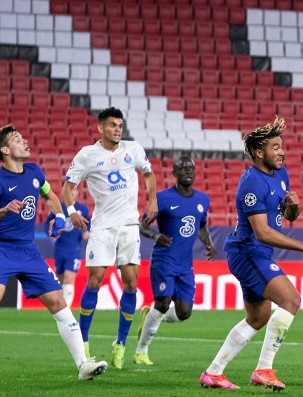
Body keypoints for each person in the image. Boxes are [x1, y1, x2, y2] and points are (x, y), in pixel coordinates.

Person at [0, 124, 107, 381]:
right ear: (5, 150)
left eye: (22, 138)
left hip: (28, 251)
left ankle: (83, 365)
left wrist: (58, 215)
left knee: (58, 302)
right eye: (17, 140)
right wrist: (4, 209)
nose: (25, 142)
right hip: (3, 248)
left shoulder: (34, 172)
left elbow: (51, 195)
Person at [200, 117, 303, 391]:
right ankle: (264, 369)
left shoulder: (280, 173)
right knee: (291, 299)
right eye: (275, 147)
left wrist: (294, 206)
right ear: (259, 152)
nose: (281, 152)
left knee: (257, 318)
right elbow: (262, 232)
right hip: (248, 252)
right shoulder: (251, 183)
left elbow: (287, 216)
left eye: (281, 146)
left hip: (258, 253)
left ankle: (214, 372)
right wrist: (302, 245)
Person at [62, 106, 158, 370]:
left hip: (129, 226)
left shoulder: (133, 149)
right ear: (101, 128)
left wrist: (152, 200)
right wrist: (70, 212)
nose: (118, 129)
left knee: (130, 284)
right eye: (112, 125)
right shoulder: (87, 155)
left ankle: (121, 344)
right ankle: (83, 342)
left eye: (120, 125)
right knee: (95, 280)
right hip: (102, 227)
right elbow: (68, 186)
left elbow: (148, 174)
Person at [133, 154, 216, 365]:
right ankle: (141, 351)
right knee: (162, 302)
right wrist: (155, 235)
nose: (188, 171)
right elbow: (142, 225)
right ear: (174, 173)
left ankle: (149, 316)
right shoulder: (162, 198)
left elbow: (202, 226)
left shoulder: (202, 200)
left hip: (185, 265)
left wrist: (209, 243)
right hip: (164, 260)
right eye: (183, 168)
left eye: (191, 168)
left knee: (184, 312)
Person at [45, 200, 91, 309]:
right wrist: (51, 233)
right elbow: (47, 223)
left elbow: (89, 222)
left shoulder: (82, 208)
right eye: (71, 190)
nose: (73, 193)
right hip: (60, 248)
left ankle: (66, 309)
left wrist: (87, 231)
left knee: (68, 279)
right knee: (61, 281)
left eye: (75, 190)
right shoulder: (58, 207)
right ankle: (60, 307)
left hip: (74, 249)